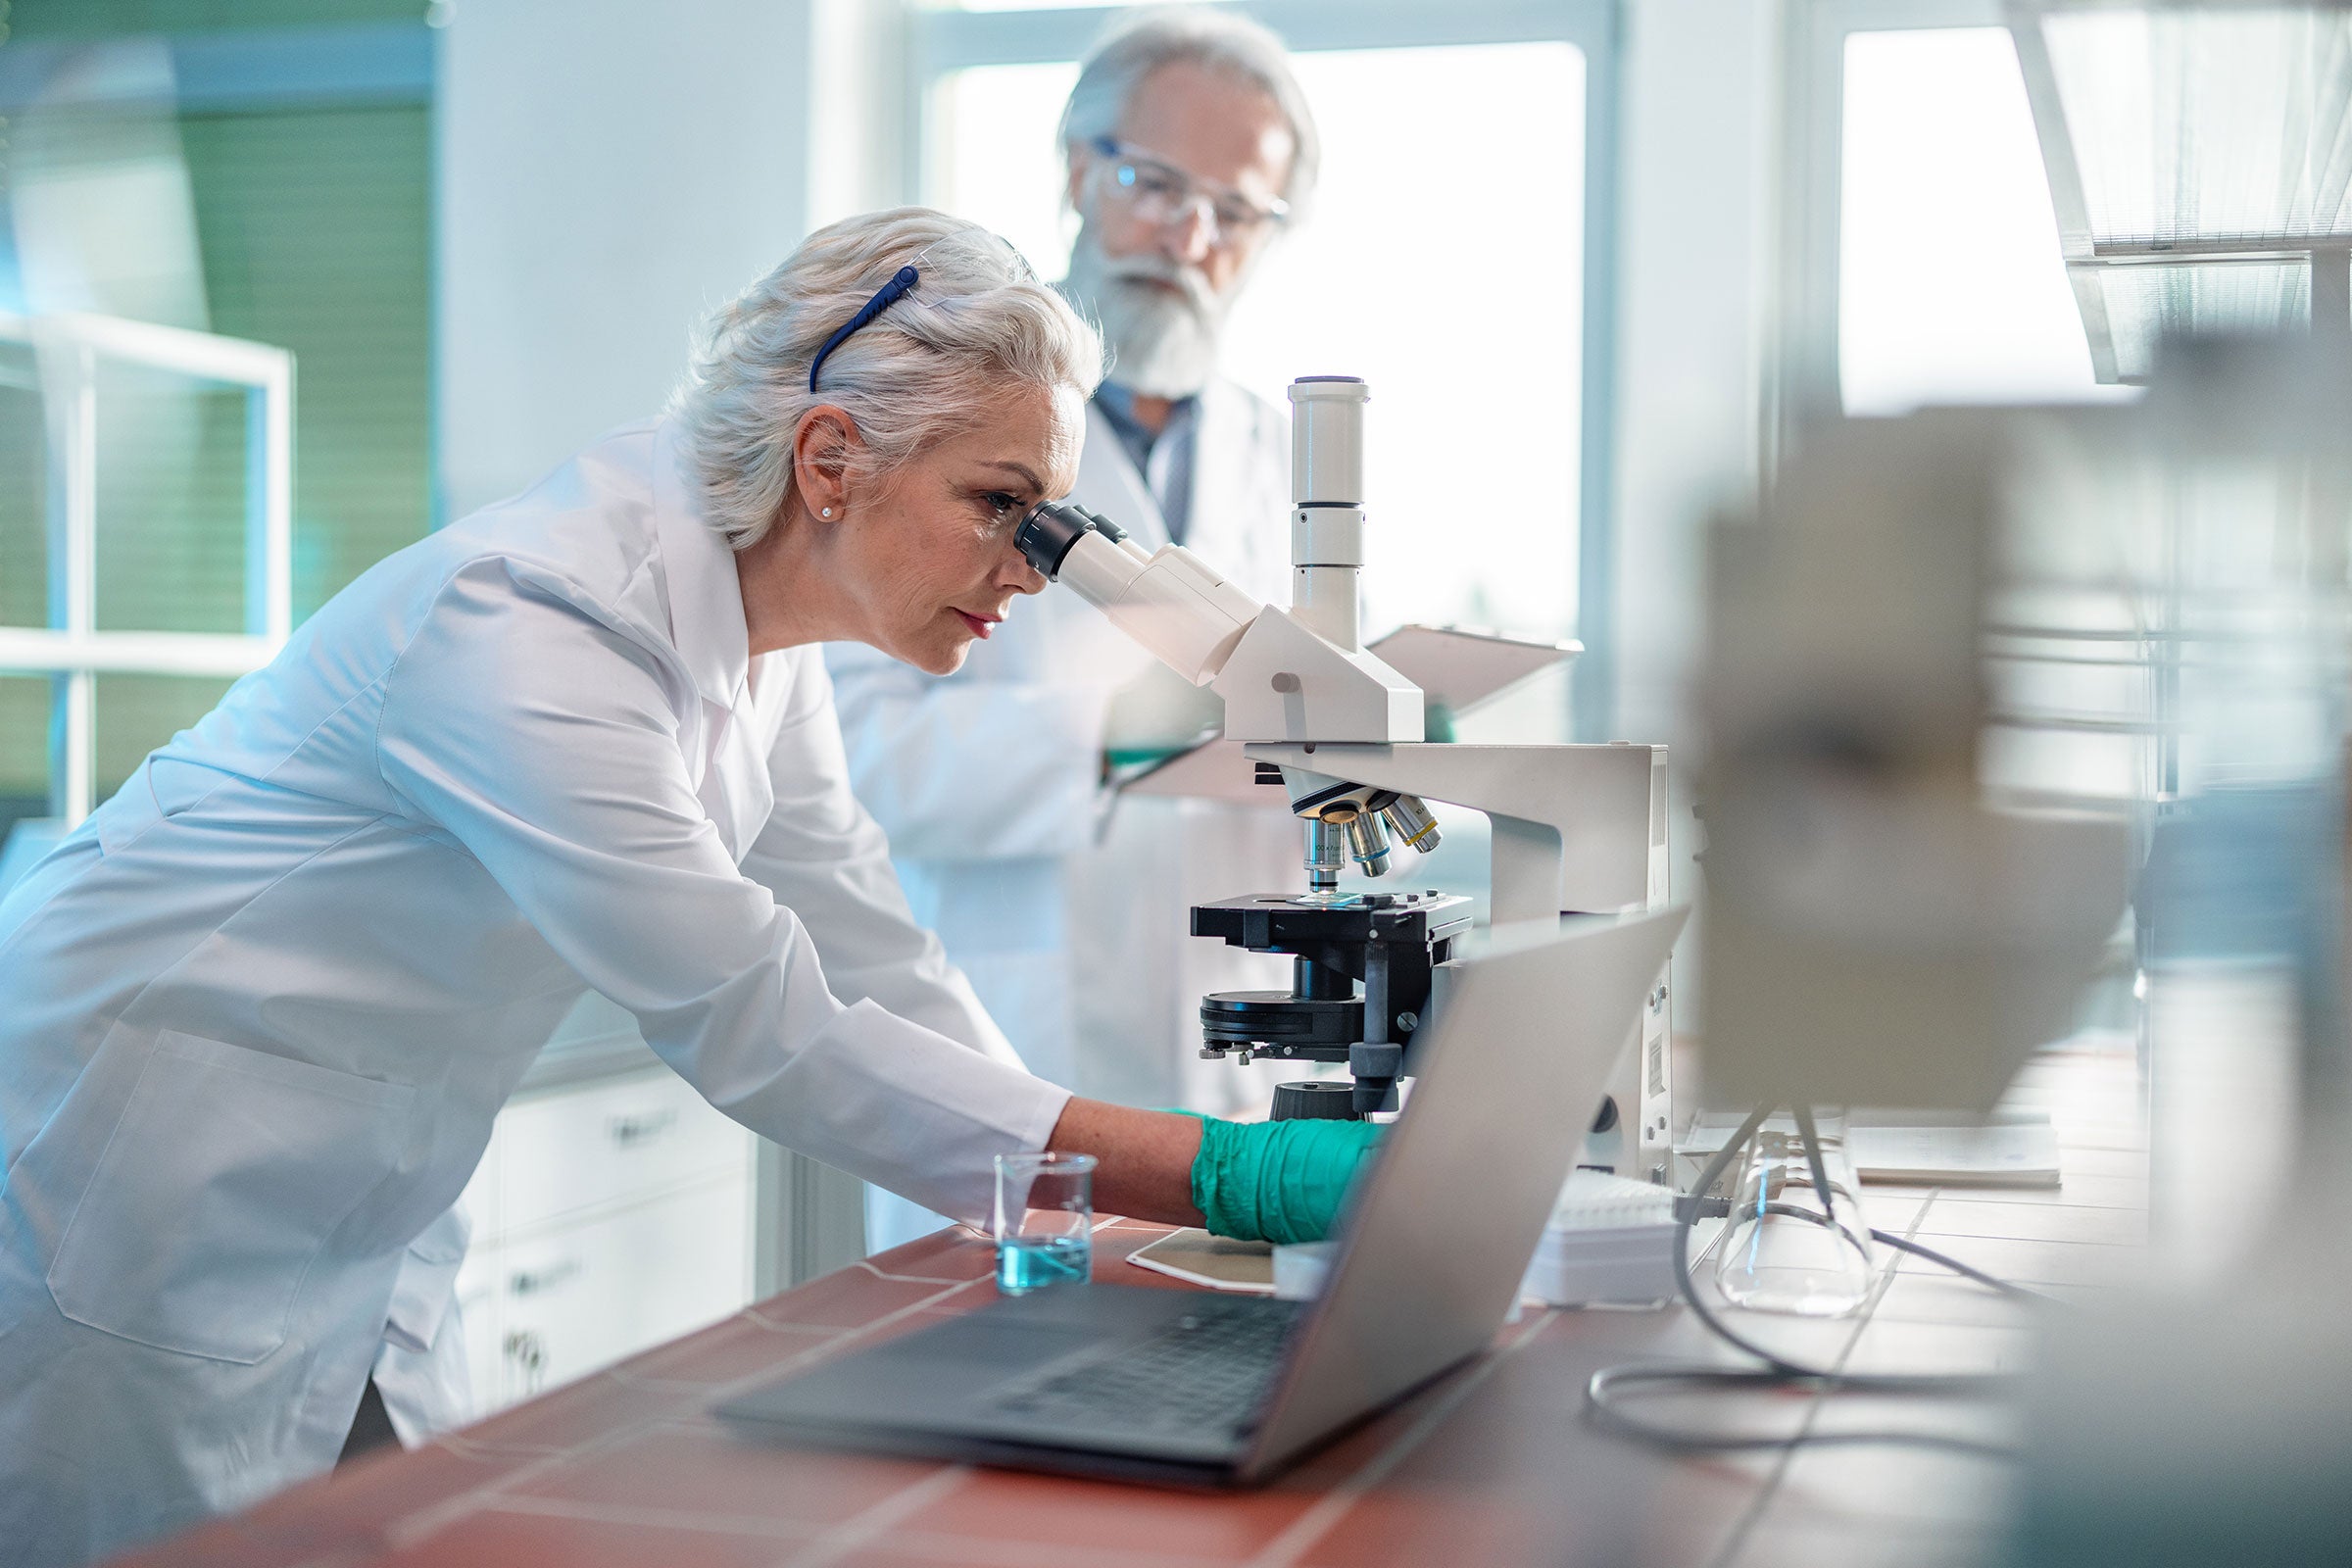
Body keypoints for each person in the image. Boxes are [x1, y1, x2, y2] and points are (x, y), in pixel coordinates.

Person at [0, 209, 1376, 1568]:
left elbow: (872, 952)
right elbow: (760, 1023)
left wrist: (1052, 1206)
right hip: (129, 1174)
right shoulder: (527, 621)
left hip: (348, 1201)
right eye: (1001, 504)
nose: (1030, 566)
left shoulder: (764, 637)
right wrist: (1223, 1173)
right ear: (828, 459)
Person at [828, 12, 1322, 1238]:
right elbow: (848, 751)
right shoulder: (935, 429)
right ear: (1073, 168)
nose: (1187, 236)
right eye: (1152, 183)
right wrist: (1113, 738)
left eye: (1236, 210)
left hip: (1229, 1053)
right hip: (1010, 1034)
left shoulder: (1295, 456)